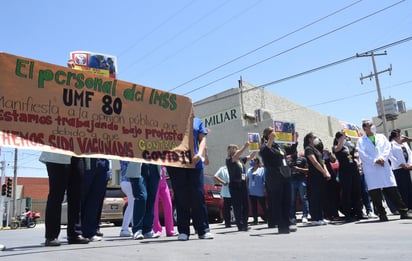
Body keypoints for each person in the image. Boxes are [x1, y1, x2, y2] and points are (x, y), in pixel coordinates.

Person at [166, 117, 214, 241]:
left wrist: (200, 153)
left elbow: (203, 138)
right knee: (181, 196)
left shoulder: (197, 121)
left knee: (198, 195)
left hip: (195, 163)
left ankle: (203, 229)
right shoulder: (169, 120)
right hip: (176, 163)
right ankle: (183, 230)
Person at [357, 120, 412, 221]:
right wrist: (375, 160)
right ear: (365, 128)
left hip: (384, 166)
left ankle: (403, 211)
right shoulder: (361, 141)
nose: (373, 126)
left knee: (393, 190)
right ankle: (382, 214)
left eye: (372, 124)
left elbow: (387, 148)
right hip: (372, 169)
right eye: (370, 125)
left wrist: (383, 158)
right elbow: (362, 154)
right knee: (375, 193)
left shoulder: (381, 137)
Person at [39, 152, 89, 246]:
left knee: (76, 196)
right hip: (57, 156)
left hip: (77, 156)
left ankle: (75, 234)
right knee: (56, 195)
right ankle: (51, 236)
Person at [260, 127, 294, 234]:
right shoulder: (264, 145)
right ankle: (281, 225)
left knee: (287, 200)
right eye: (272, 133)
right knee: (277, 201)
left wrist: (295, 138)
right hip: (274, 177)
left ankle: (287, 222)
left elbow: (290, 150)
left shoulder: (279, 146)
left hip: (285, 175)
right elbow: (265, 152)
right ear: (268, 135)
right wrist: (270, 140)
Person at [333, 131, 366, 222]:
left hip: (354, 171)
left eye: (346, 137)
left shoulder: (349, 146)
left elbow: (356, 153)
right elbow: (337, 149)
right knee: (346, 193)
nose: (345, 138)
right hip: (345, 172)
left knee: (357, 192)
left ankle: (359, 213)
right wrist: (341, 140)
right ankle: (347, 215)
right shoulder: (336, 147)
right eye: (343, 137)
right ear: (337, 139)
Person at [124, 162, 161, 240]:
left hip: (154, 167)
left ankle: (148, 229)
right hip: (138, 167)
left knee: (151, 198)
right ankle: (137, 229)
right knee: (141, 197)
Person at [303, 132, 331, 226]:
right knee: (315, 197)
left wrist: (326, 172)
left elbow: (322, 161)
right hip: (314, 176)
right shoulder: (308, 149)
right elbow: (315, 163)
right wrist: (323, 172)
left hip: (321, 176)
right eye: (314, 137)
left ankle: (320, 217)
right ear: (309, 139)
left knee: (320, 197)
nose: (316, 139)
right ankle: (315, 218)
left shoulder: (316, 149)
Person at [226, 142, 255, 231]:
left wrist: (255, 147)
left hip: (242, 184)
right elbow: (236, 156)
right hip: (235, 184)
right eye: (235, 149)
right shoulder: (229, 159)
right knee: (237, 205)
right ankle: (240, 224)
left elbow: (251, 157)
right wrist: (245, 146)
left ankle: (245, 223)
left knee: (245, 204)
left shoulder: (241, 160)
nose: (237, 150)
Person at [80, 158, 109, 242]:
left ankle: (90, 231)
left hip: (103, 161)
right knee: (83, 197)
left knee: (95, 200)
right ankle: (79, 230)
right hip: (88, 160)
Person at [389, 129, 412, 209]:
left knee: (409, 188)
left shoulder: (404, 144)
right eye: (400, 134)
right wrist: (401, 165)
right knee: (403, 189)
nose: (402, 136)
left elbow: (409, 153)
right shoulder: (391, 144)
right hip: (398, 169)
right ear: (396, 136)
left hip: (407, 168)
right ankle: (405, 207)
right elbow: (391, 157)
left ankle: (410, 206)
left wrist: (410, 164)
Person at [153, 166, 177, 237]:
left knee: (169, 205)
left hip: (163, 182)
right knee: (155, 207)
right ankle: (156, 229)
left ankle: (170, 230)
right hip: (155, 181)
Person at [287, 149, 309, 224]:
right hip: (292, 180)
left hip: (301, 179)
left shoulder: (302, 159)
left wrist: (298, 169)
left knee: (303, 198)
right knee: (292, 199)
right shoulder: (288, 160)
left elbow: (307, 170)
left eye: (295, 151)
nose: (293, 153)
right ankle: (292, 217)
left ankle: (305, 216)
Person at [246, 157, 267, 225]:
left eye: (253, 160)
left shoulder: (262, 170)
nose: (251, 162)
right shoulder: (249, 170)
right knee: (253, 205)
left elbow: (264, 179)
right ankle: (255, 220)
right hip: (251, 190)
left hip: (260, 190)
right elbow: (247, 179)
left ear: (257, 161)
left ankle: (267, 218)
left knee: (263, 205)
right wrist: (246, 188)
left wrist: (265, 188)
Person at [119, 161, 134, 237]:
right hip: (129, 181)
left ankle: (131, 226)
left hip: (123, 181)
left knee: (132, 204)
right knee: (132, 204)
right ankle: (124, 228)